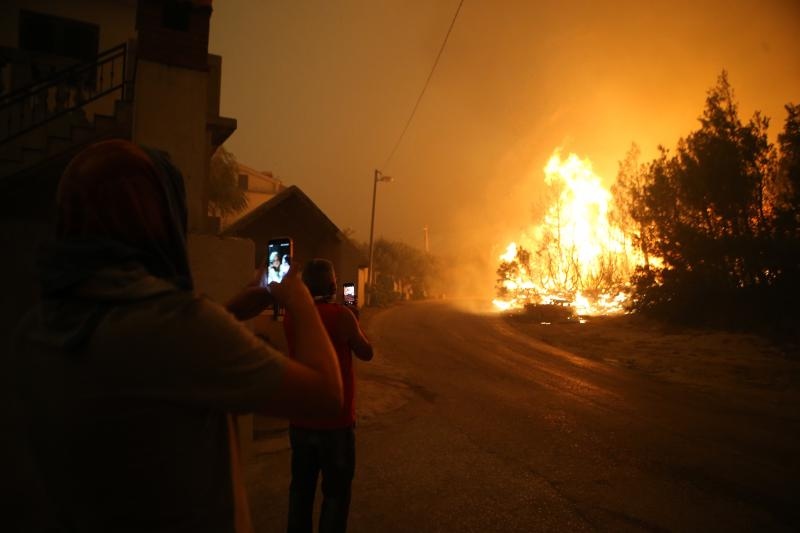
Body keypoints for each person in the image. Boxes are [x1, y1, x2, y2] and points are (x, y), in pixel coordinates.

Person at [12, 140, 343, 533]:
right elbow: (325, 397)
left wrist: (231, 310)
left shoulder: (34, 331)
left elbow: (150, 359)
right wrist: (300, 297)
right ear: (158, 220)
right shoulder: (178, 326)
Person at [283, 259, 373, 533]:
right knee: (335, 495)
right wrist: (354, 321)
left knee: (301, 492)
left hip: (301, 421)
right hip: (337, 422)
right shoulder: (342, 315)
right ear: (334, 286)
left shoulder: (293, 315)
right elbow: (366, 353)